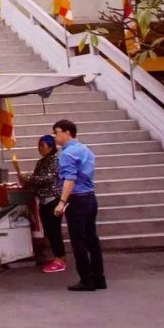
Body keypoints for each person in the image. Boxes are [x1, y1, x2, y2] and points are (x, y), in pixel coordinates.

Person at [53, 119, 106, 291]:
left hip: (76, 199)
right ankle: (99, 278)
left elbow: (70, 179)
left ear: (68, 132)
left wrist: (61, 202)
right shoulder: (85, 150)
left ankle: (86, 279)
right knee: (92, 240)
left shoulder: (67, 155)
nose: (55, 136)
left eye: (57, 132)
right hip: (90, 197)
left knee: (78, 241)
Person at [13, 135, 67, 273]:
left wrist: (29, 178)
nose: (40, 148)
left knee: (54, 230)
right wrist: (25, 180)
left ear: (50, 147)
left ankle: (60, 258)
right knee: (48, 230)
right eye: (39, 145)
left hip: (53, 199)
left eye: (42, 145)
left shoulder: (55, 161)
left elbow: (47, 179)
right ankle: (57, 256)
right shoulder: (41, 162)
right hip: (43, 200)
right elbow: (36, 179)